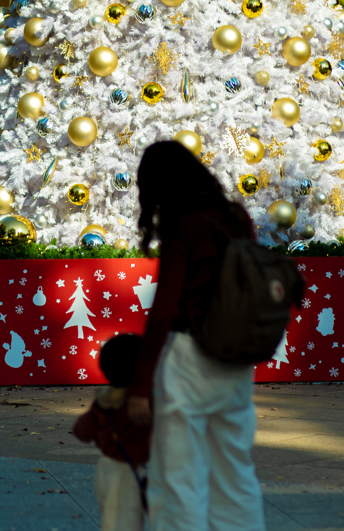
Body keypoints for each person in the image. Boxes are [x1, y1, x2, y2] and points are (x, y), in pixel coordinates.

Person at [128, 141, 264, 531]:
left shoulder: (183, 224)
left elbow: (164, 309)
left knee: (178, 477)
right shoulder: (235, 216)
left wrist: (141, 384)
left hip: (189, 357)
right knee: (235, 472)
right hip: (234, 356)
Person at [73, 334, 151, 531]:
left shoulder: (104, 402)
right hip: (135, 470)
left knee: (117, 521)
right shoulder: (145, 404)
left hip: (109, 468)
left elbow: (81, 432)